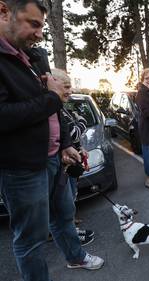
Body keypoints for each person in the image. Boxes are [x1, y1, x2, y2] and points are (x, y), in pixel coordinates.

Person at [0, 1, 103, 280]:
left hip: (56, 158)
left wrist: (66, 144)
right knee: (31, 238)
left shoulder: (33, 57)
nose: (40, 33)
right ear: (3, 11)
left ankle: (76, 257)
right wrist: (51, 97)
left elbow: (54, 112)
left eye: (42, 26)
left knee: (64, 215)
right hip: (23, 169)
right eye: (33, 24)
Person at [51, 68, 95, 246]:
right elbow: (74, 131)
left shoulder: (62, 107)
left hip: (71, 162)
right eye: (66, 86)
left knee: (70, 200)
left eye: (70, 86)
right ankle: (71, 237)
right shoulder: (56, 110)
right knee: (64, 204)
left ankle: (70, 230)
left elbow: (73, 137)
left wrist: (80, 148)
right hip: (62, 167)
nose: (70, 91)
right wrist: (81, 121)